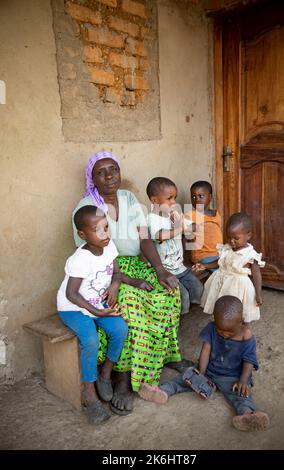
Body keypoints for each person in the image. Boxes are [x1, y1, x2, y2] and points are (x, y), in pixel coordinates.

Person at [72, 151, 182, 416]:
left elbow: (144, 237)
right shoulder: (86, 207)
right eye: (101, 172)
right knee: (129, 305)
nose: (109, 176)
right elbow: (92, 254)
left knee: (168, 293)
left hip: (135, 265)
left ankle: (162, 357)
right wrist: (119, 278)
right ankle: (122, 378)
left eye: (113, 169)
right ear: (92, 178)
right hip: (105, 272)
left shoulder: (129, 198)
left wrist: (159, 269)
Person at [139, 296, 270, 432]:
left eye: (229, 332)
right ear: (214, 320)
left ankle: (247, 414)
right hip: (209, 370)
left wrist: (243, 380)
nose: (224, 335)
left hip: (233, 377)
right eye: (221, 331)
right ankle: (162, 391)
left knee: (241, 394)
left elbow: (249, 360)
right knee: (186, 376)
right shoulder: (211, 328)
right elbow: (206, 350)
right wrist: (200, 374)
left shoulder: (246, 335)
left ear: (241, 322)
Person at [57, 205, 128, 424]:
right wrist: (96, 311)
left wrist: (115, 285)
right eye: (97, 230)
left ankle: (105, 374)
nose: (105, 234)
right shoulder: (80, 259)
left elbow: (116, 271)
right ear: (82, 235)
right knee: (90, 340)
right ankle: (89, 393)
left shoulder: (109, 246)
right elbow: (71, 293)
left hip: (97, 304)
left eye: (106, 227)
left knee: (120, 329)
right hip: (73, 308)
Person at [194, 212, 265, 323]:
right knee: (220, 308)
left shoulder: (250, 254)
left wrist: (258, 293)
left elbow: (256, 275)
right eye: (229, 237)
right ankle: (220, 326)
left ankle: (241, 332)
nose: (232, 241)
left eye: (236, 238)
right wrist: (205, 265)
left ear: (248, 235)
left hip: (238, 288)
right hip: (221, 282)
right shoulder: (226, 248)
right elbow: (220, 262)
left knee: (238, 313)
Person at [146, 177, 203, 314]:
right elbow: (160, 235)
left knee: (198, 289)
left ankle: (189, 313)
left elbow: (195, 227)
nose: (173, 202)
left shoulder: (175, 215)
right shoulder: (152, 219)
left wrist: (184, 224)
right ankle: (177, 321)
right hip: (165, 271)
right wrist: (180, 228)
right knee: (181, 296)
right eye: (169, 198)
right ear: (154, 200)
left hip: (180, 268)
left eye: (175, 198)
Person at [187, 181, 222, 272]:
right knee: (221, 274)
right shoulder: (191, 215)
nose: (197, 200)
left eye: (201, 196)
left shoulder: (216, 214)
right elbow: (185, 235)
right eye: (193, 197)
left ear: (210, 197)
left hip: (219, 253)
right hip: (203, 255)